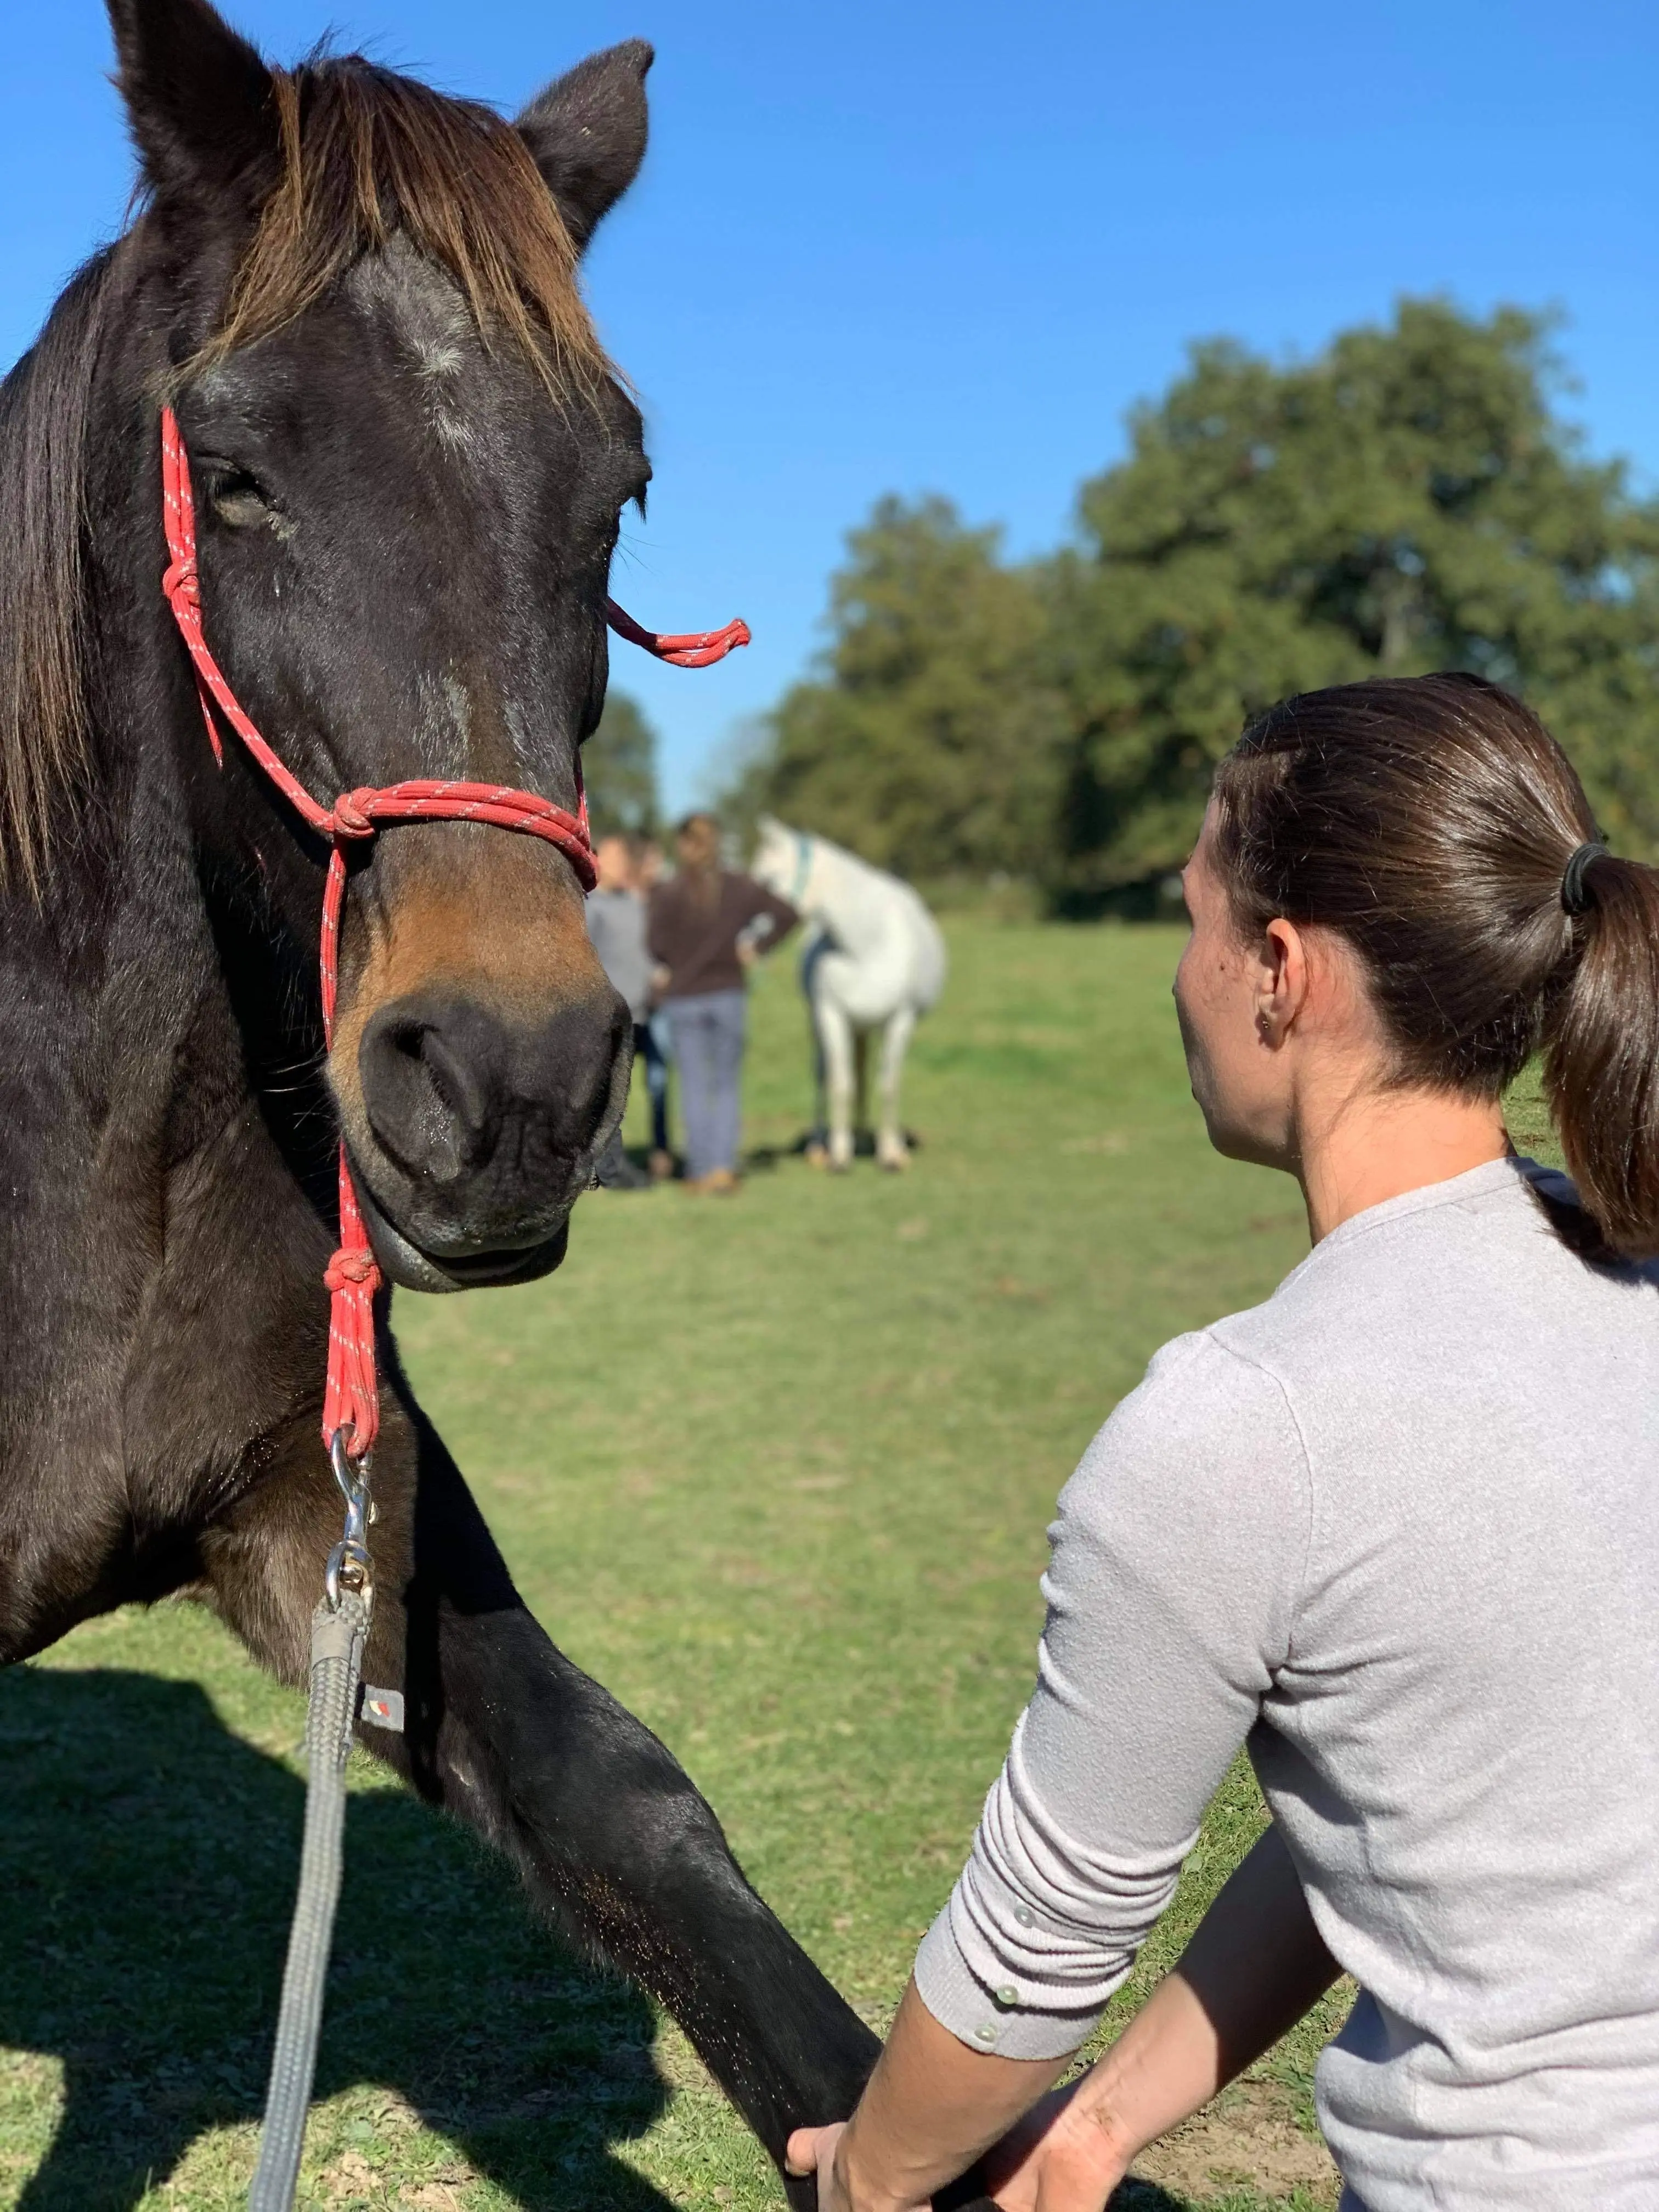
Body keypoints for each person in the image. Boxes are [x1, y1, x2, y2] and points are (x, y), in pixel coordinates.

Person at [786, 674, 1659, 2212]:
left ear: (1277, 970)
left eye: (1194, 921)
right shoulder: (1632, 1266)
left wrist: (871, 2179)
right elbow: (1418, 1810)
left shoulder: (1245, 1425)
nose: (1177, 975)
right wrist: (1111, 2123)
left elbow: (1030, 1951)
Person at [647, 812, 798, 1193]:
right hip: (729, 995)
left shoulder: (668, 891)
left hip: (684, 998)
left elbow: (655, 945)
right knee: (726, 1086)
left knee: (695, 1087)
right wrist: (756, 948)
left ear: (683, 845)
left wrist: (675, 960)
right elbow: (788, 914)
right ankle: (724, 1169)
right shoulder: (741, 887)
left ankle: (699, 1172)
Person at [583, 832, 656, 1190]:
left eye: (618, 858)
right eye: (606, 857)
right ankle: (610, 1172)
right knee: (607, 1094)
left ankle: (655, 1155)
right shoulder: (590, 906)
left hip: (645, 1013)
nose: (612, 864)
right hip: (605, 1019)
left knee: (641, 1090)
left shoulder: (635, 903)